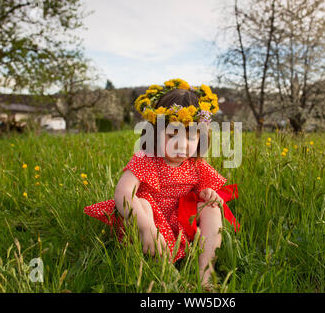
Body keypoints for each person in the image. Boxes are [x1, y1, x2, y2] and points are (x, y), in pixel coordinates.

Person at [84, 79, 239, 289]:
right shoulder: (147, 159)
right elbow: (122, 193)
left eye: (191, 137)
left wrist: (210, 194)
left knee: (211, 208)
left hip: (179, 223)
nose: (181, 145)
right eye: (172, 135)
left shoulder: (195, 164)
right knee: (142, 203)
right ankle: (167, 273)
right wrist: (146, 226)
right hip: (145, 226)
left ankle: (205, 274)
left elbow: (209, 192)